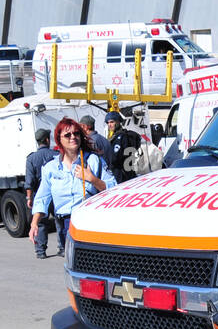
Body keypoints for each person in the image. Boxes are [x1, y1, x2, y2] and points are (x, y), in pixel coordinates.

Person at [29, 118, 115, 250]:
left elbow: (114, 188)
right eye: (67, 135)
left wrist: (92, 179)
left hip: (89, 223)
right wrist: (34, 224)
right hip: (66, 226)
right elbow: (42, 198)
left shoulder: (93, 160)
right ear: (59, 139)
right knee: (71, 268)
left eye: (76, 133)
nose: (73, 137)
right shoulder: (51, 167)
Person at [25, 128, 60, 259]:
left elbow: (29, 180)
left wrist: (29, 197)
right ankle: (62, 248)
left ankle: (40, 251)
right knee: (59, 220)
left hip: (40, 194)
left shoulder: (31, 158)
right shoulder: (56, 154)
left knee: (40, 223)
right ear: (46, 140)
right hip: (56, 193)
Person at [105, 110, 144, 184]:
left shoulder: (120, 138)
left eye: (112, 122)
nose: (109, 125)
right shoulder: (126, 135)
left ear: (118, 122)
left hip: (120, 175)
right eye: (108, 123)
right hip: (129, 172)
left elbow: (115, 158)